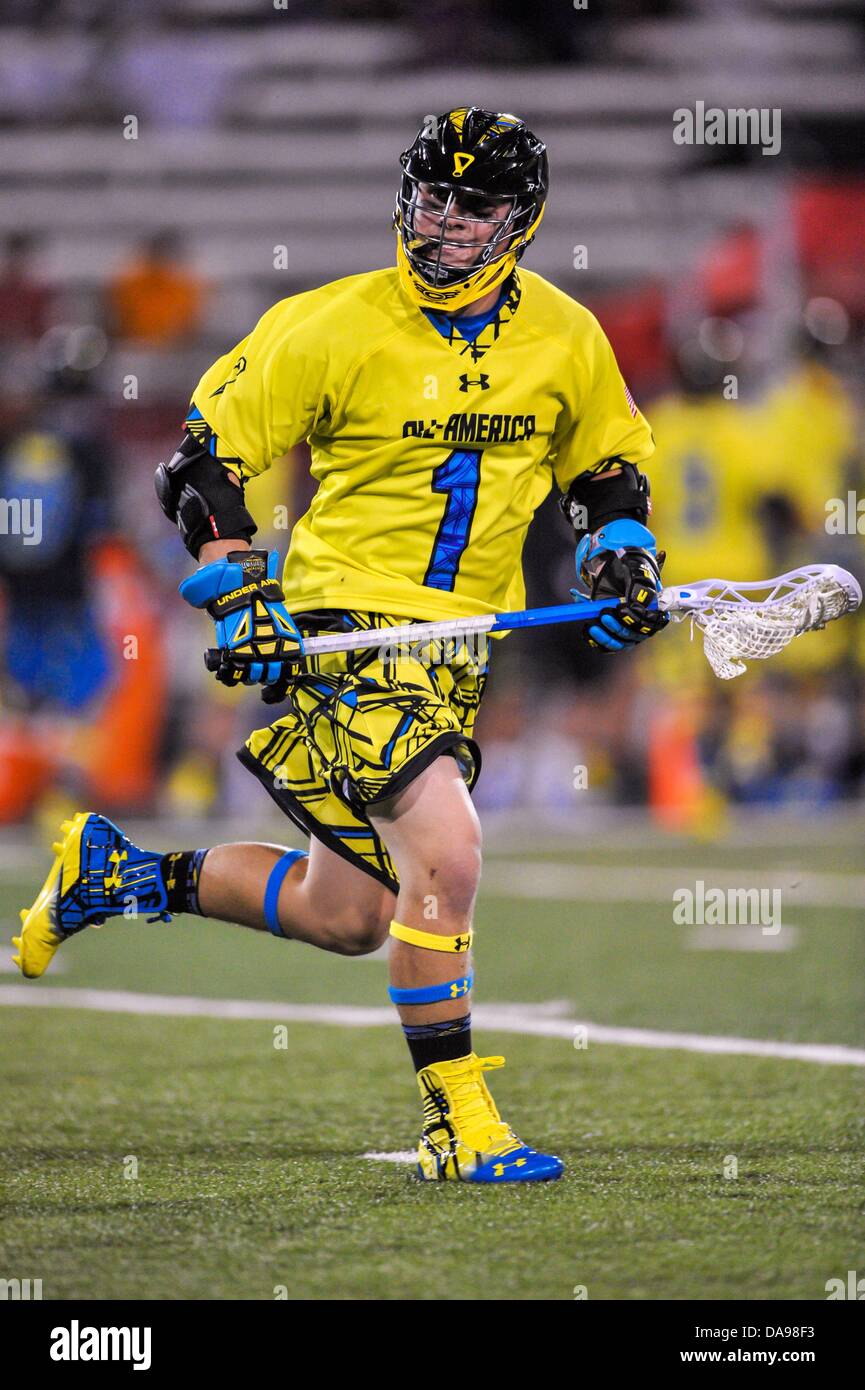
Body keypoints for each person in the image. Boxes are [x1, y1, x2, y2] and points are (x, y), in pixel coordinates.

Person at [15, 109, 667, 1184]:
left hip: (458, 646)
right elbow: (205, 461)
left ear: (523, 221)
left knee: (350, 913)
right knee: (449, 858)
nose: (445, 221)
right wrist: (237, 590)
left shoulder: (565, 334)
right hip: (345, 633)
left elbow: (603, 469)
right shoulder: (329, 322)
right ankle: (458, 1124)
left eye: (474, 205)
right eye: (433, 195)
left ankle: (115, 876)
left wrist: (620, 556)